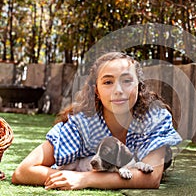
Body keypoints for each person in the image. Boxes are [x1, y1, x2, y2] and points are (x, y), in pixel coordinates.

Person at [12, 52, 182, 190]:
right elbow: (23, 171)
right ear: (97, 92)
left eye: (127, 81)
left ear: (139, 85)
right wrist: (67, 177)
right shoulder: (81, 124)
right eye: (108, 82)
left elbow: (151, 178)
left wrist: (84, 179)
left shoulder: (155, 118)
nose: (118, 90)